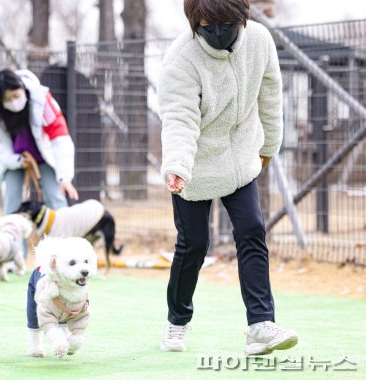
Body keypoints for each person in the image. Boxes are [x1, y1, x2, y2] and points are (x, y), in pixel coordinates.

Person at [158, 0, 298, 355]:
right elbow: (179, 118)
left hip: (240, 158)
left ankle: (261, 324)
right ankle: (177, 321)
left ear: (242, 19)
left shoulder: (260, 41)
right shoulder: (181, 58)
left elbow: (269, 94)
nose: (218, 33)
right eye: (208, 27)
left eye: (226, 25)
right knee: (194, 245)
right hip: (194, 165)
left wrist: (270, 144)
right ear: (194, 24)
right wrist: (177, 166)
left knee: (252, 230)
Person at [0, 68, 79, 337]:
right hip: (15, 158)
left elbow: (61, 138)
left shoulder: (42, 100)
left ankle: (65, 261)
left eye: (18, 95)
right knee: (12, 208)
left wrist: (65, 175)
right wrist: (18, 161)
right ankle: (11, 261)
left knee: (56, 200)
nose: (16, 100)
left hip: (47, 155)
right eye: (10, 97)